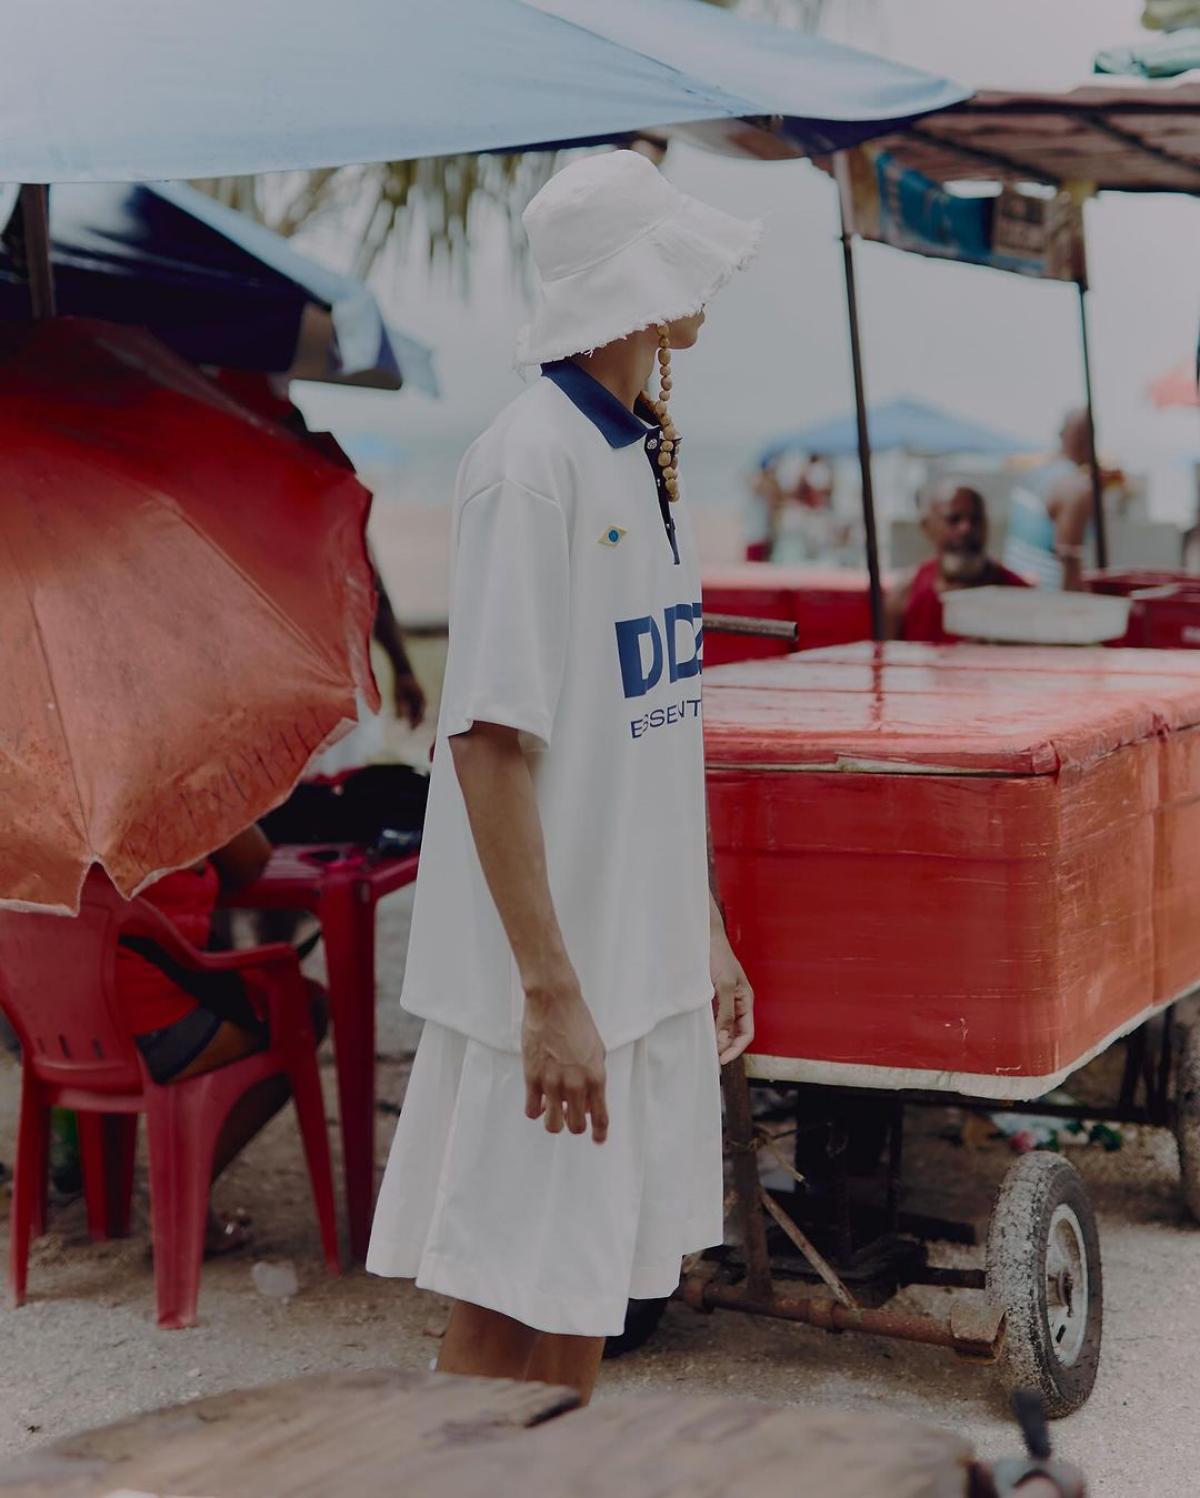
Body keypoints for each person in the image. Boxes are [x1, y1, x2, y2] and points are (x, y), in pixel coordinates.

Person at [366, 150, 759, 1403]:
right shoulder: (529, 462)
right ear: (638, 291)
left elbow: (652, 731)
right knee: (502, 1320)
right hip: (557, 991)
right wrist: (548, 992)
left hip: (634, 981)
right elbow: (484, 740)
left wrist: (699, 929)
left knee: (583, 1309)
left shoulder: (640, 457)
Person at [116, 823, 326, 1254]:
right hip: (151, 1029)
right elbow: (252, 860)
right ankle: (180, 1196)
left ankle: (107, 1195)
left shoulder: (37, 792)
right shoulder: (174, 784)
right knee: (304, 1013)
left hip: (45, 1029)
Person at [887, 482, 1029, 643]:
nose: (966, 528)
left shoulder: (1019, 596)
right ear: (927, 527)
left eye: (975, 520)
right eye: (953, 520)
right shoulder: (904, 595)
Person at [1003, 408, 1097, 592]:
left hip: (1013, 588)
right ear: (1089, 440)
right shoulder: (1076, 488)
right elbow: (1069, 563)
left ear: (1061, 434)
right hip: (1047, 600)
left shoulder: (1031, 473)